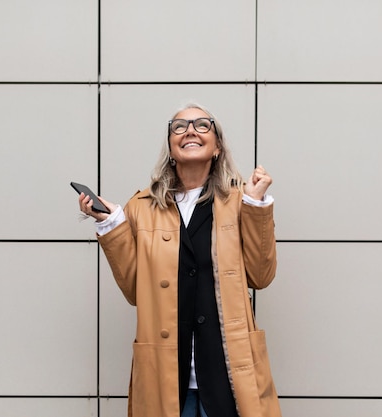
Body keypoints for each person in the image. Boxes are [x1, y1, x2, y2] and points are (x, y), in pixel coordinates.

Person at [78, 103, 282, 417]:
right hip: (168, 376)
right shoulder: (142, 206)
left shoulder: (239, 201)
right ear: (171, 148)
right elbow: (135, 291)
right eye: (179, 126)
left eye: (202, 125)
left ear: (217, 147)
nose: (189, 130)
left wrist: (256, 206)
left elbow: (261, 276)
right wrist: (112, 223)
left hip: (227, 371)